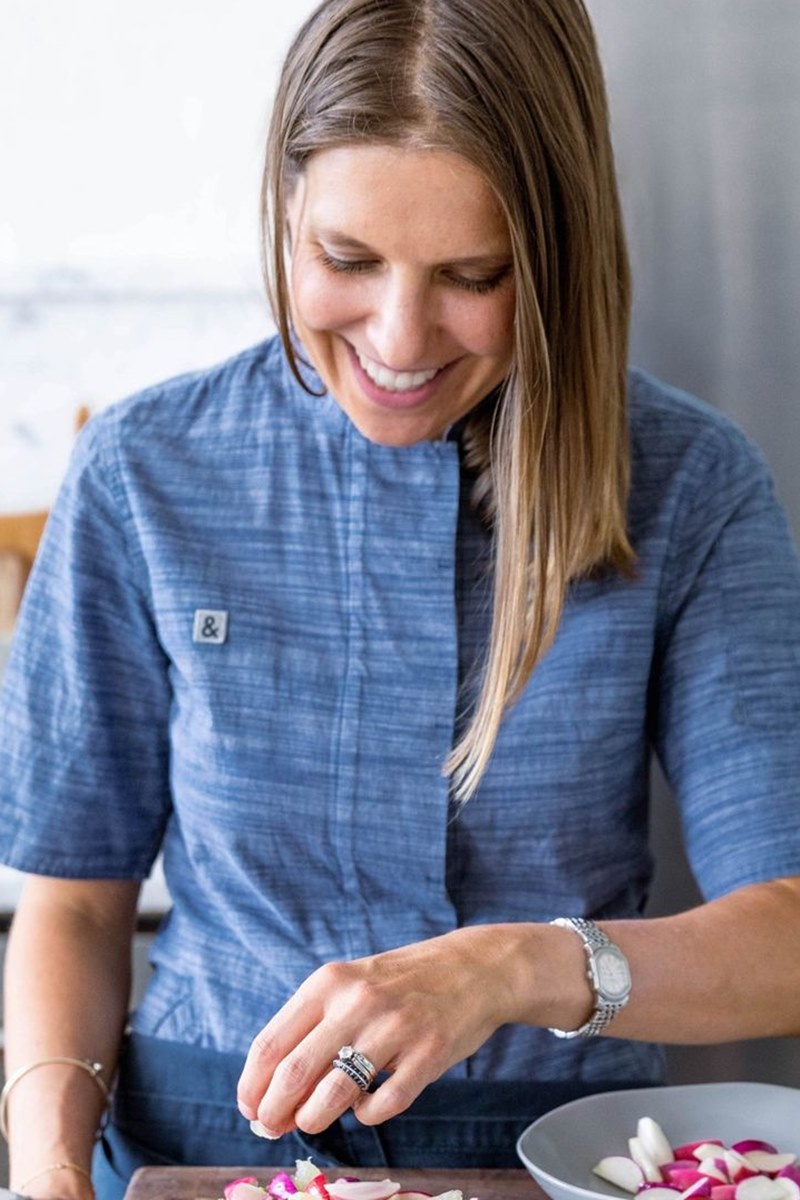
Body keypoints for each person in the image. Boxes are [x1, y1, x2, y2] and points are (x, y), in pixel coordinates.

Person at [2, 0, 800, 1197]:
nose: (396, 336)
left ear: (555, 253)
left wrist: (512, 968)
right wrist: (52, 1167)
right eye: (346, 260)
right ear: (283, 212)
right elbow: (69, 897)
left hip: (560, 1151)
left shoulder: (688, 484)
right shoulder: (143, 469)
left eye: (471, 276)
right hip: (201, 1142)